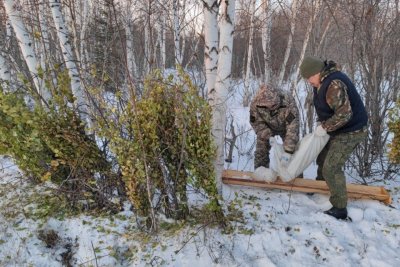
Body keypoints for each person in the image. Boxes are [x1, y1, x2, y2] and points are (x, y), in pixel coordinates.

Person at [299, 56, 368, 220]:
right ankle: (322, 189)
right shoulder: (321, 81)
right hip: (338, 129)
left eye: (309, 78)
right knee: (322, 158)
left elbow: (344, 115)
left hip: (352, 130)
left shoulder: (333, 84)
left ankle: (339, 208)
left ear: (317, 73)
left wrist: (324, 127)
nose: (309, 82)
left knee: (331, 167)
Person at [250, 84, 300, 170]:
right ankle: (261, 175)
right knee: (261, 152)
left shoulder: (287, 100)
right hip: (266, 127)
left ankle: (295, 178)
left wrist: (288, 151)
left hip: (285, 128)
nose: (270, 108)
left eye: (273, 105)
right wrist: (267, 135)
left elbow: (292, 126)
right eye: (267, 106)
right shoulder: (255, 102)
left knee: (294, 154)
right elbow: (256, 122)